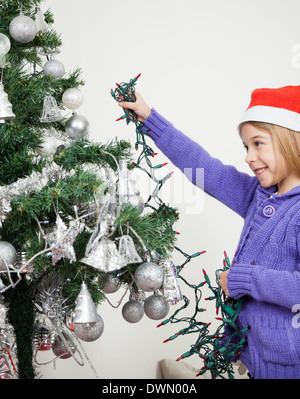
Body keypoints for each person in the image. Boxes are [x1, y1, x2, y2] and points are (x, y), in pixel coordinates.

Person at [118, 85, 300, 379]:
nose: (249, 157)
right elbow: (205, 168)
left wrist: (243, 278)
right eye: (246, 146)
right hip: (256, 361)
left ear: (292, 142)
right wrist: (149, 117)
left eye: (258, 144)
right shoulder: (259, 194)